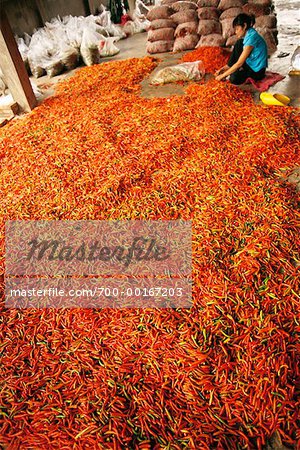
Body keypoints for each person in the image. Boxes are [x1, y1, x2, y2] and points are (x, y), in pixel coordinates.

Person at [215, 13, 268, 85]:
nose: (236, 32)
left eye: (237, 29)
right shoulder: (249, 34)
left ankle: (238, 72)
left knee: (234, 78)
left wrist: (222, 76)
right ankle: (229, 67)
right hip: (251, 63)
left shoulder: (252, 38)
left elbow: (239, 63)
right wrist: (222, 70)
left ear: (245, 26)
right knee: (239, 43)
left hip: (258, 72)